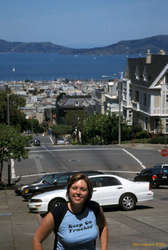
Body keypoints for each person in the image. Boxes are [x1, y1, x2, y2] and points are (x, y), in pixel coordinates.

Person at [33, 173, 108, 250]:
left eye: (83, 189)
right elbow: (37, 240)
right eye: (74, 188)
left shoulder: (94, 208)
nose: (78, 192)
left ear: (89, 193)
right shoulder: (58, 212)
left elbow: (103, 226)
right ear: (69, 190)